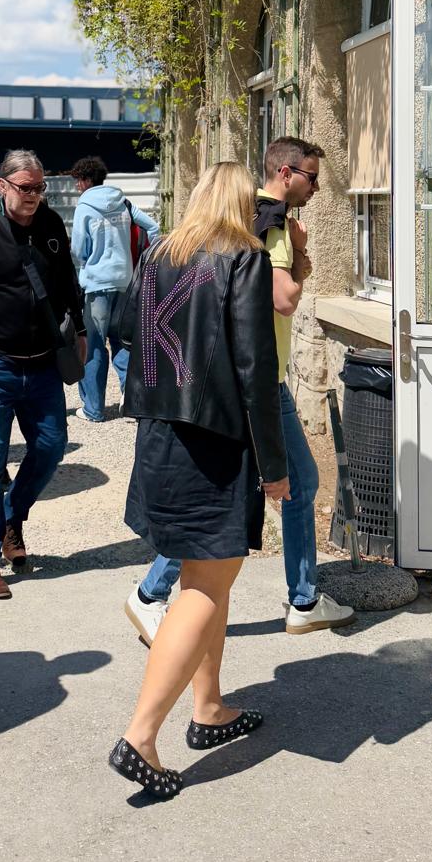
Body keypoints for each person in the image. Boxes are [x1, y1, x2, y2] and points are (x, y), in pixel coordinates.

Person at [124, 138, 354, 644]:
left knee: (213, 507)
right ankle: (158, 595)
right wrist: (300, 261)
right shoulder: (258, 242)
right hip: (242, 391)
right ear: (284, 174)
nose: (317, 187)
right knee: (230, 516)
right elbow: (272, 324)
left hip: (179, 399)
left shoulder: (163, 251)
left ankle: (293, 598)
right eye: (312, 177)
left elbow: (129, 332)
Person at [110, 161, 288, 800]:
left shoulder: (160, 253)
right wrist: (274, 466)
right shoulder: (245, 258)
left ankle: (208, 706)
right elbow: (255, 366)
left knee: (204, 575)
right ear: (242, 203)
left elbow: (121, 330)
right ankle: (141, 736)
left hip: (160, 433)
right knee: (207, 586)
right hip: (213, 442)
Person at [0, 149, 85, 599]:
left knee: (51, 446)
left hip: (42, 364)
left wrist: (80, 328)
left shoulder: (51, 225)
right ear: (2, 186)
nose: (34, 195)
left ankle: (12, 516)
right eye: (25, 188)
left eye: (39, 188)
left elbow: (66, 280)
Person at [69, 155, 159, 422]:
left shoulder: (84, 206)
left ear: (85, 180)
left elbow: (78, 248)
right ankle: (131, 404)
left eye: (77, 181)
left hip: (97, 283)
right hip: (124, 281)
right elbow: (153, 227)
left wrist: (88, 260)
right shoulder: (123, 202)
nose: (76, 186)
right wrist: (147, 259)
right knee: (122, 341)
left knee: (94, 345)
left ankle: (93, 409)